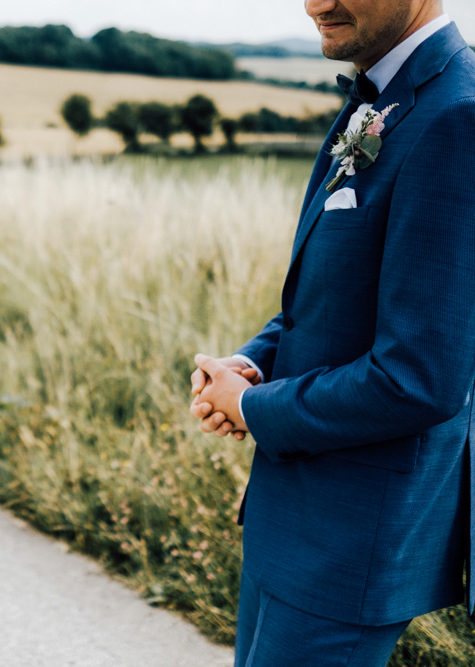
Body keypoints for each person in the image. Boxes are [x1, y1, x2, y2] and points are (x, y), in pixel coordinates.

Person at [189, 0, 475, 665]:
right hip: (291, 524)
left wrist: (253, 407)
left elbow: (420, 378)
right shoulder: (378, 94)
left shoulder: (457, 117)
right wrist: (253, 362)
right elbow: (331, 297)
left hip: (350, 548)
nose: (317, 2)